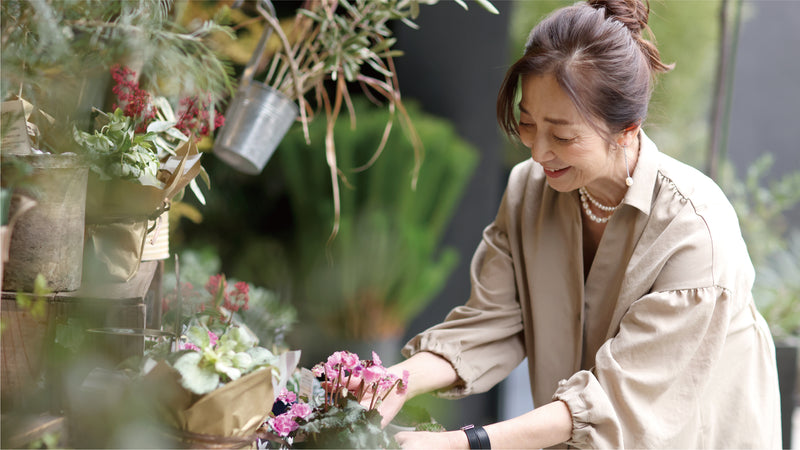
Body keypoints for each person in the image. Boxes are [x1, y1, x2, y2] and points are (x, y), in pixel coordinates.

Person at [371, 0, 782, 448]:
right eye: (526, 124)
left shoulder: (694, 232)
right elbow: (492, 324)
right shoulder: (529, 189)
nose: (538, 152)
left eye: (563, 136)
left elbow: (614, 402)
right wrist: (392, 381)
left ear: (627, 128)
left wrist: (462, 443)